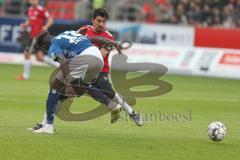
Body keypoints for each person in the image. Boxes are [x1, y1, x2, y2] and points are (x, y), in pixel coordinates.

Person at [31, 30, 124, 134]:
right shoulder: (69, 33)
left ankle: (48, 126)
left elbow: (63, 61)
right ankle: (113, 105)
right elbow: (94, 39)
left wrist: (67, 83)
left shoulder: (53, 46)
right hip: (98, 59)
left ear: (44, 46)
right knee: (83, 88)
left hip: (85, 58)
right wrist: (112, 42)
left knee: (54, 85)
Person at [77, 8, 143, 125]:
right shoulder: (84, 30)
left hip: (101, 70)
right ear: (93, 20)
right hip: (85, 69)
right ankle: (114, 106)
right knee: (81, 87)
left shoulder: (109, 37)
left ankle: (131, 112)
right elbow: (73, 43)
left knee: (111, 94)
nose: (101, 24)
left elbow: (100, 55)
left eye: (104, 22)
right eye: (98, 21)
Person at [16, 0, 57, 80]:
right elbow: (30, 21)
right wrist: (25, 25)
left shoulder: (41, 10)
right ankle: (58, 66)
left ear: (38, 1)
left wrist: (46, 27)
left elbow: (50, 20)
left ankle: (25, 76)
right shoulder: (30, 10)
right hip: (33, 35)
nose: (32, 1)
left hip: (37, 35)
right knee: (39, 57)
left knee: (26, 53)